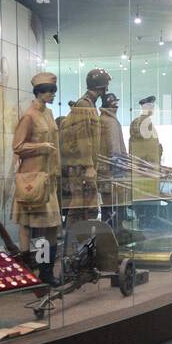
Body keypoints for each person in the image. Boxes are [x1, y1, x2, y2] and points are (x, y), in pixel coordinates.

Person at [11, 72, 61, 284]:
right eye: (48, 91)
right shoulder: (29, 116)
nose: (51, 95)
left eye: (53, 91)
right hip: (32, 179)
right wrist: (41, 146)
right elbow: (18, 146)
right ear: (38, 92)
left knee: (51, 226)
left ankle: (46, 272)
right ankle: (28, 271)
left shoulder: (48, 115)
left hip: (48, 178)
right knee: (29, 224)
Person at [59, 68, 109, 229]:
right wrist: (88, 166)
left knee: (86, 207)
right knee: (80, 207)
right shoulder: (84, 105)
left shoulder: (88, 104)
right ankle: (71, 245)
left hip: (84, 166)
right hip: (80, 167)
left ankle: (79, 243)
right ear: (102, 87)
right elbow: (84, 138)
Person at [98, 92, 129, 226]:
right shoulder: (109, 121)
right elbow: (114, 148)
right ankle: (114, 234)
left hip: (110, 169)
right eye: (113, 104)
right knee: (114, 205)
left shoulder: (107, 119)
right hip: (113, 170)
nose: (116, 106)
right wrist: (121, 166)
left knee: (109, 205)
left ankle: (112, 232)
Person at [129, 95, 163, 202]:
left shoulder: (146, 123)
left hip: (148, 171)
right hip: (146, 172)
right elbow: (141, 148)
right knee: (147, 204)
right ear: (145, 107)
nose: (152, 109)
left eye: (152, 106)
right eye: (150, 106)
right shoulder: (142, 124)